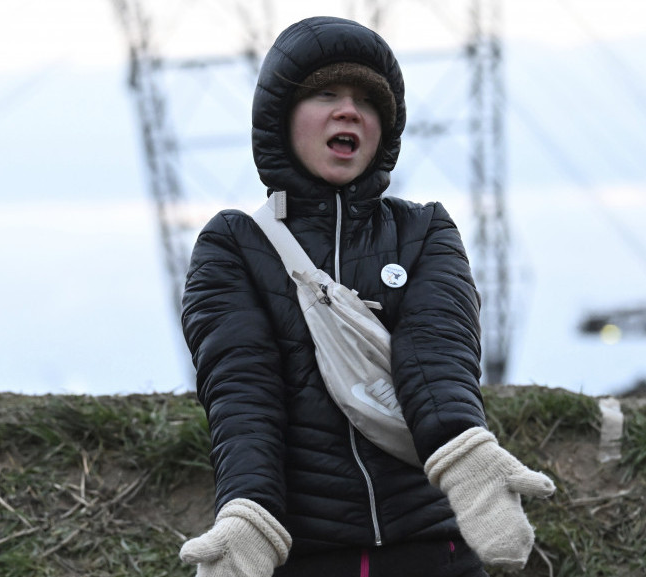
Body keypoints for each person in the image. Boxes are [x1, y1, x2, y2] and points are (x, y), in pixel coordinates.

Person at [178, 16, 555, 577]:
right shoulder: (234, 246)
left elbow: (437, 354)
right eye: (326, 93)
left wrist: (467, 455)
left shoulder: (425, 232)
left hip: (435, 549)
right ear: (279, 119)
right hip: (309, 557)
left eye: (367, 101)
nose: (348, 110)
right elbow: (243, 391)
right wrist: (249, 512)